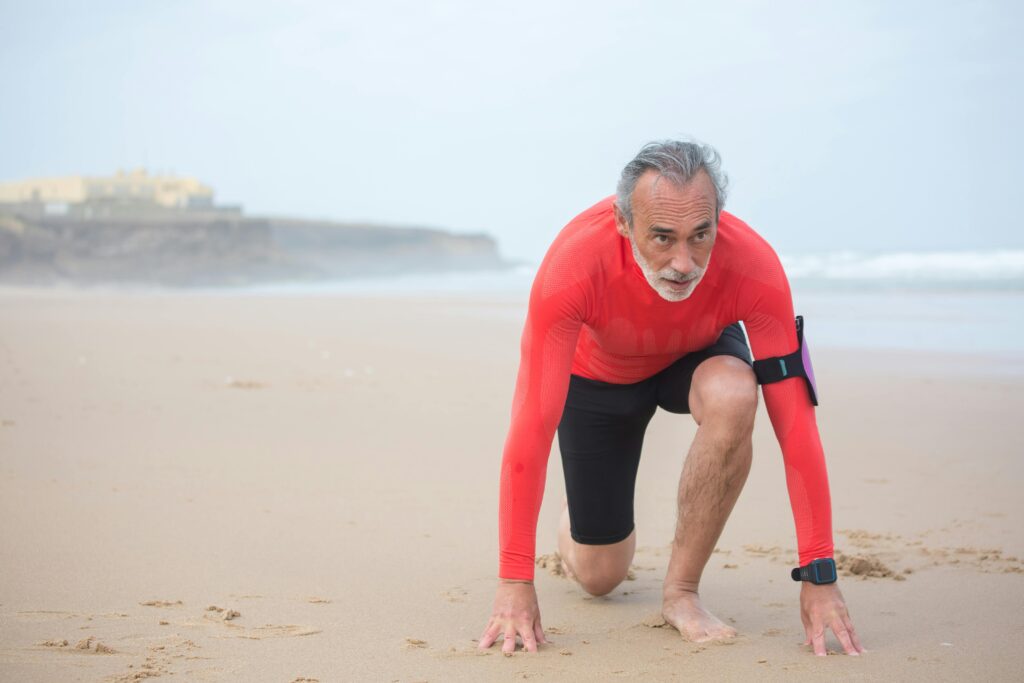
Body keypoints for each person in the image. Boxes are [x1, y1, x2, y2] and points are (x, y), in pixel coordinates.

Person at [477, 140, 864, 657]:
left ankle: (682, 592)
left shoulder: (754, 265)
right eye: (662, 237)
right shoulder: (574, 264)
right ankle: (582, 518)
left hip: (697, 356)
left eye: (700, 235)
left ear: (717, 222)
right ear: (622, 222)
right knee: (599, 578)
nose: (684, 262)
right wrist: (514, 581)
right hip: (599, 377)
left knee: (735, 391)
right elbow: (531, 424)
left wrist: (820, 571)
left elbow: (796, 424)